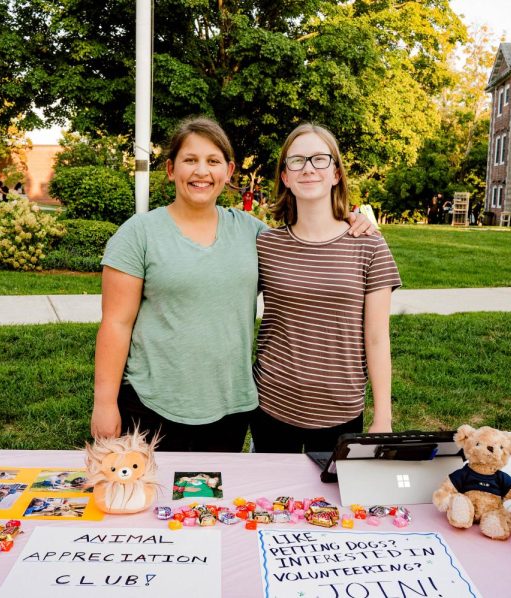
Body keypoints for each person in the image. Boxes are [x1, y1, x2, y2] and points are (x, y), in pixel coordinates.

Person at [91, 117, 375, 453]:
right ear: (170, 169)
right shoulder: (138, 234)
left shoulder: (253, 234)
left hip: (230, 407)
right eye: (190, 160)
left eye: (212, 162)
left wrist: (350, 220)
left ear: (228, 172)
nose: (201, 172)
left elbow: (304, 247)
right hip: (151, 403)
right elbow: (116, 324)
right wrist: (105, 403)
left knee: (212, 504)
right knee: (146, 500)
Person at [250, 123, 402, 454]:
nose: (308, 168)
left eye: (319, 159)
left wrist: (383, 417)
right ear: (285, 177)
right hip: (272, 403)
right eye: (297, 161)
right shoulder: (266, 244)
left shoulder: (369, 244)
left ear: (336, 173)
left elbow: (377, 337)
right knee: (272, 505)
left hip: (341, 410)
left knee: (335, 505)